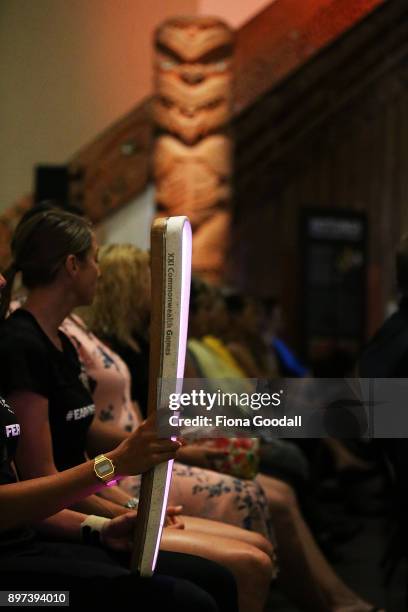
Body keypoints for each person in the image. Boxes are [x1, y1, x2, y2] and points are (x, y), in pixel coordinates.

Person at [0, 208, 271, 612]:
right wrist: (117, 470)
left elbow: (31, 499)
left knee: (220, 576)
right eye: (95, 259)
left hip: (42, 535)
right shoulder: (19, 344)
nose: (4, 280)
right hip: (17, 594)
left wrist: (103, 527)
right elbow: (36, 488)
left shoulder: (62, 341)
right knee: (198, 594)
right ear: (71, 266)